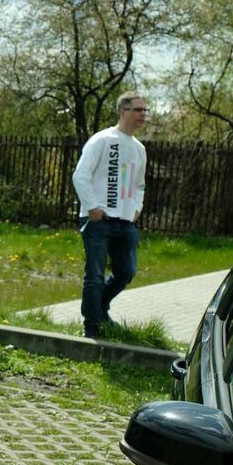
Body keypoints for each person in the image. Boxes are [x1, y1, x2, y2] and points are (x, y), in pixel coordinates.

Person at [72, 92, 148, 338]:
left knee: (126, 272)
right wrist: (92, 207)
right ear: (122, 111)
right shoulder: (102, 140)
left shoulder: (139, 149)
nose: (142, 115)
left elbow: (139, 185)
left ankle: (100, 308)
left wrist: (137, 209)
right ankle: (92, 325)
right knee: (94, 275)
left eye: (145, 111)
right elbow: (80, 175)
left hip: (125, 223)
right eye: (138, 110)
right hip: (98, 220)